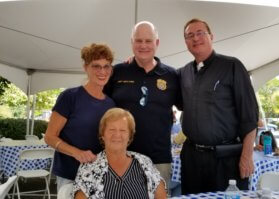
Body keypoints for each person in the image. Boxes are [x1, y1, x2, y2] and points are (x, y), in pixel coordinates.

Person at [177, 18, 259, 194]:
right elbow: (160, 77)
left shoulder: (232, 66)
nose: (195, 38)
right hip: (192, 160)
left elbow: (250, 115)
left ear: (211, 36)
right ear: (186, 42)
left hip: (226, 160)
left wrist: (247, 155)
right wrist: (141, 60)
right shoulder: (183, 73)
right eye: (190, 35)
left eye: (200, 33)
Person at [104, 21, 181, 189]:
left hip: (158, 160)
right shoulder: (117, 72)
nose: (143, 45)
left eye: (148, 41)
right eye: (138, 41)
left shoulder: (172, 75)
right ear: (132, 43)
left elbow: (187, 106)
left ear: (157, 43)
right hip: (120, 157)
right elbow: (101, 106)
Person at [44, 43, 115, 191]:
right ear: (85, 67)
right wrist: (76, 153)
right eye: (96, 66)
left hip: (100, 174)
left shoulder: (111, 104)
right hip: (70, 175)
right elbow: (50, 137)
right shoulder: (70, 97)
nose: (102, 71)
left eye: (106, 66)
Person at [73, 108, 166, 199]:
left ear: (130, 136)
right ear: (103, 135)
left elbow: (161, 195)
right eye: (111, 130)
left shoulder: (144, 162)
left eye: (123, 130)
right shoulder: (88, 167)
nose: (117, 135)